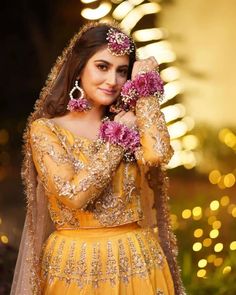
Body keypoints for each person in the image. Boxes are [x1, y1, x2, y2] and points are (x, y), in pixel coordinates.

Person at [11, 21, 186, 295]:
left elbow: (158, 154)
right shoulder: (47, 130)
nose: (113, 80)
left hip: (136, 260)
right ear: (79, 66)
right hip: (74, 265)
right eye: (102, 67)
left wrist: (145, 92)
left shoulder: (131, 119)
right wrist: (117, 139)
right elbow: (73, 194)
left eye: (122, 71)